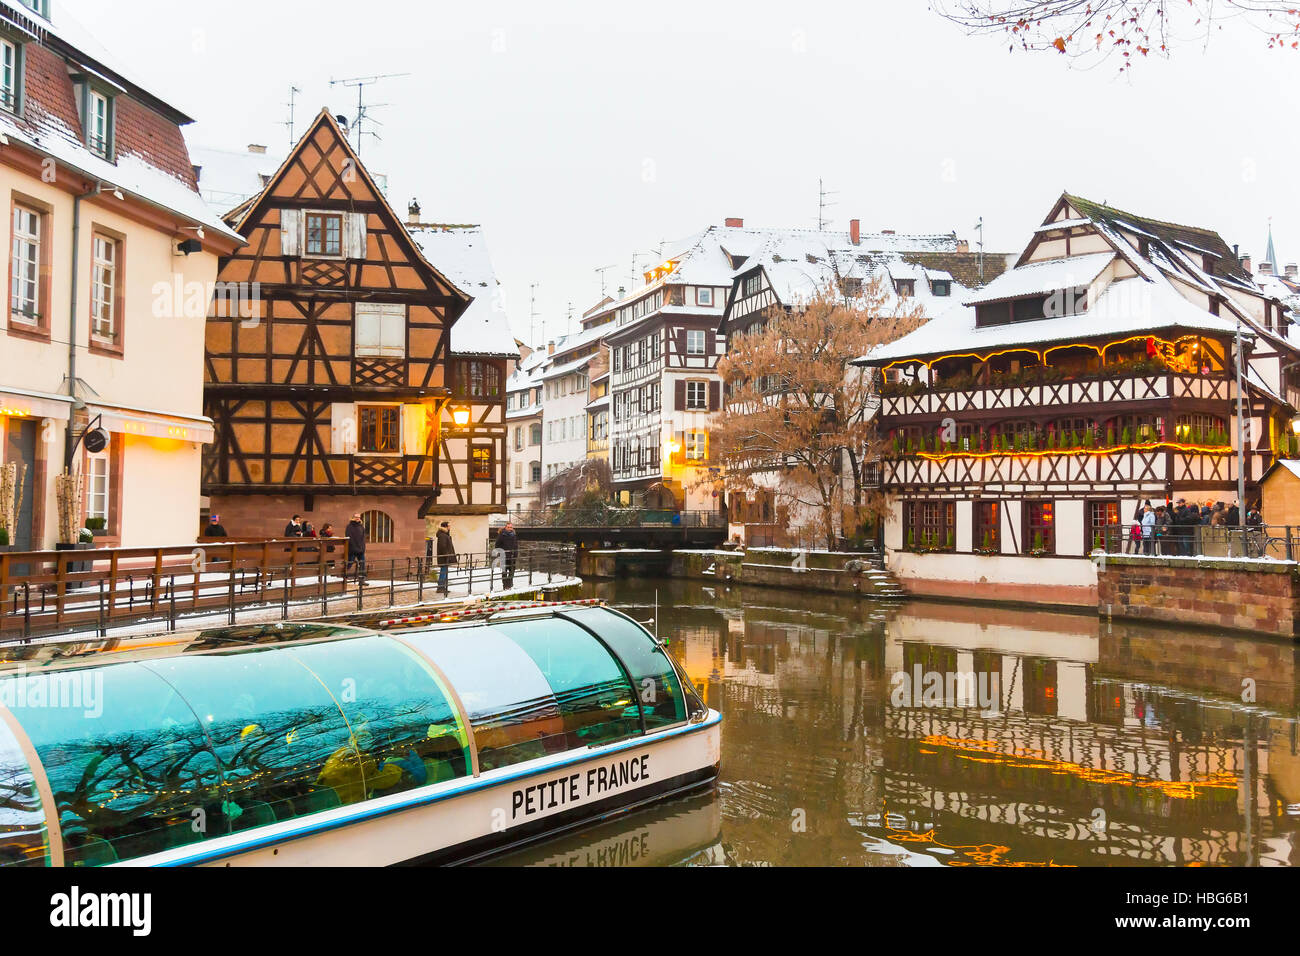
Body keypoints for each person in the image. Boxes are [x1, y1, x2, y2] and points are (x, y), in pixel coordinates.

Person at [436, 521, 456, 595]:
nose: (450, 527)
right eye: (449, 526)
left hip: (445, 557)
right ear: (445, 527)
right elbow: (443, 547)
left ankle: (442, 587)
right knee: (443, 572)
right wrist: (447, 555)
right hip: (444, 558)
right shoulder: (442, 536)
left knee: (444, 572)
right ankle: (440, 588)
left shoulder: (444, 535)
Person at [496, 521, 519, 589]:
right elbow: (497, 545)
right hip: (504, 556)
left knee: (512, 571)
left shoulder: (514, 535)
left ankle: (510, 584)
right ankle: (505, 585)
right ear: (505, 527)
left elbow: (516, 545)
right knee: (504, 572)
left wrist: (515, 554)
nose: (510, 528)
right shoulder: (502, 535)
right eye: (508, 527)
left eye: (511, 527)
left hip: (512, 556)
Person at [345, 513, 367, 582]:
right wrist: (353, 547)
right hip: (352, 549)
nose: (358, 518)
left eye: (359, 517)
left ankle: (362, 579)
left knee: (362, 563)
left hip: (360, 550)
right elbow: (349, 538)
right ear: (353, 517)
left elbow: (363, 538)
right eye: (356, 517)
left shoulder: (361, 527)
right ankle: (344, 576)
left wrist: (363, 548)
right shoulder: (349, 526)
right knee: (349, 563)